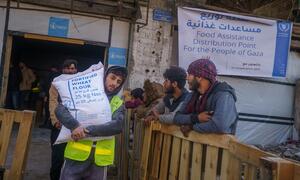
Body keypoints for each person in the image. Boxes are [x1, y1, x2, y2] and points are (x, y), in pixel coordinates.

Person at [55, 66, 128, 180]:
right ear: (104, 77)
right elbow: (60, 110)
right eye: (112, 78)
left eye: (119, 81)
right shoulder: (84, 93)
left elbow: (117, 126)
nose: (115, 83)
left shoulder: (117, 103)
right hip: (76, 157)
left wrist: (86, 131)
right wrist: (74, 126)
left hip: (99, 161)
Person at [173, 58, 238, 136]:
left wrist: (192, 127)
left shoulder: (223, 95)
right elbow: (177, 118)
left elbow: (219, 126)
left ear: (199, 77)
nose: (187, 78)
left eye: (190, 74)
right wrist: (196, 118)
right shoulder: (192, 96)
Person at [49, 59, 78, 180]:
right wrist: (55, 120)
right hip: (60, 125)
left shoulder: (80, 82)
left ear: (76, 70)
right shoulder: (56, 82)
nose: (70, 71)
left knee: (73, 158)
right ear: (63, 70)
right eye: (68, 68)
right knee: (58, 158)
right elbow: (53, 101)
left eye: (73, 68)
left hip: (75, 126)